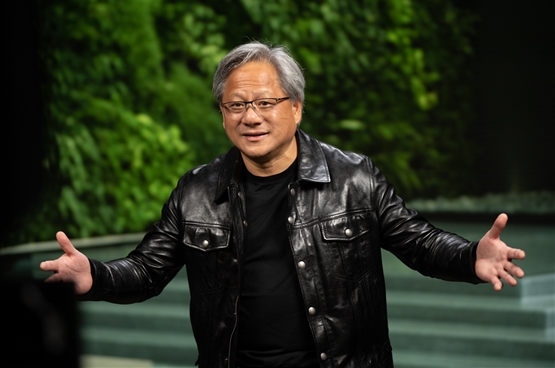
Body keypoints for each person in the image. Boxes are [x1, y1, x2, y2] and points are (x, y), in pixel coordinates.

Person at [40, 41, 526, 368]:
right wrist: (93, 275)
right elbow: (147, 269)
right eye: (236, 105)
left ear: (295, 107)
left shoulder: (354, 178)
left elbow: (419, 242)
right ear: (223, 114)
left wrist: (470, 257)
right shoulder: (196, 191)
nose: (250, 117)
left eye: (264, 103)